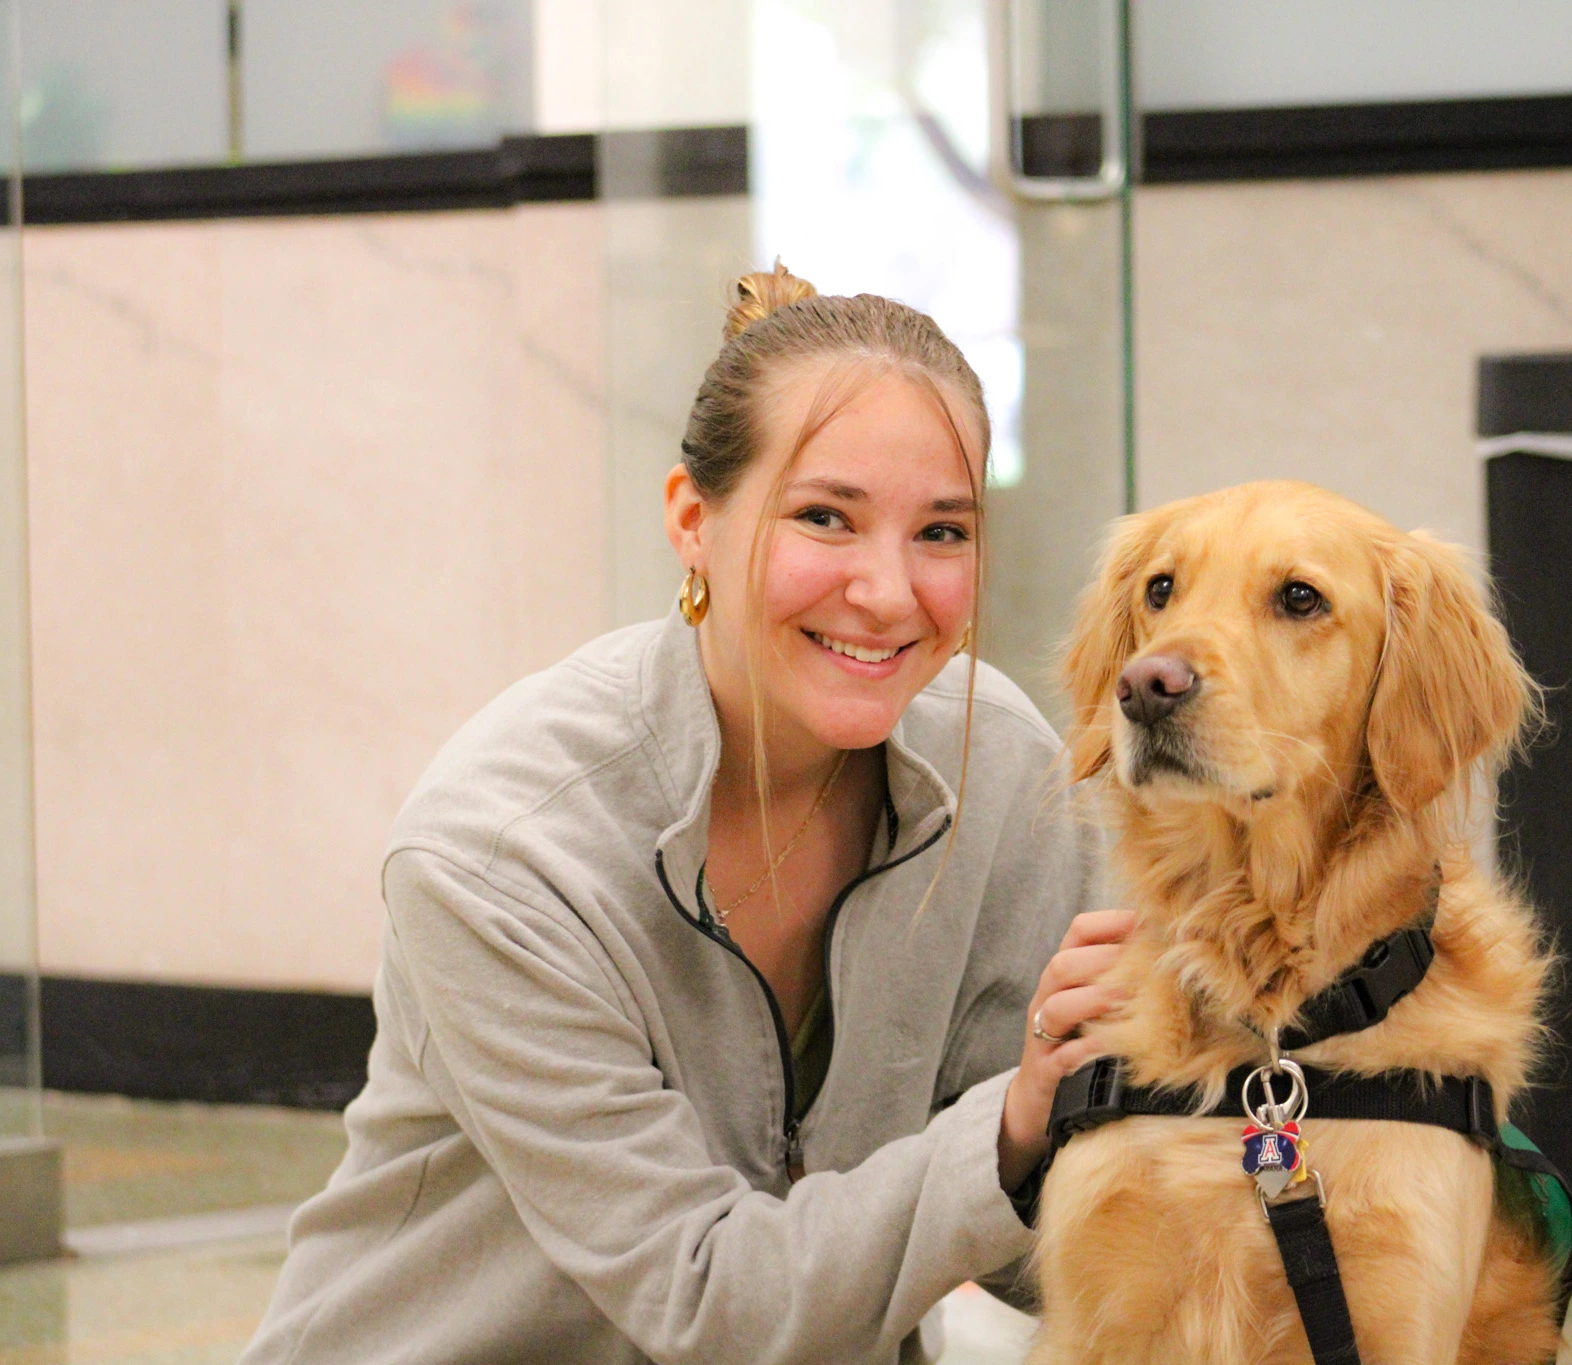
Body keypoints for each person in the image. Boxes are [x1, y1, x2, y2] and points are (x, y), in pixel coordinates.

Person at [241, 264, 1133, 1365]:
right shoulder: (501, 852)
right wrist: (1011, 1123)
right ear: (691, 522)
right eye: (823, 518)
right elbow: (708, 1302)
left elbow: (1031, 1247)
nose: (890, 592)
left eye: (941, 533)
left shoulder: (998, 769)